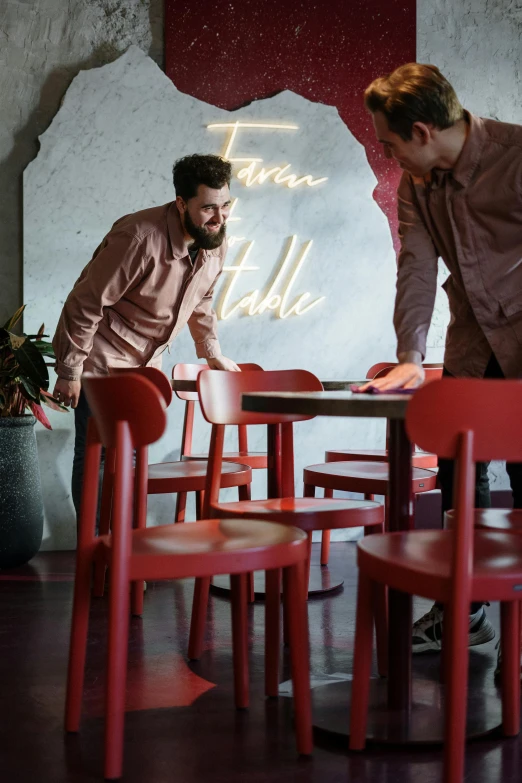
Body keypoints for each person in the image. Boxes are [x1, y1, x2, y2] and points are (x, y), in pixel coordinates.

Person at [363, 63, 522, 654]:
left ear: (423, 130)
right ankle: (465, 610)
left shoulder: (516, 154)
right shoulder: (416, 185)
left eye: (389, 142)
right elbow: (417, 268)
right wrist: (410, 353)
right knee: (460, 479)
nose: (388, 154)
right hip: (472, 344)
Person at [52, 153, 239, 521]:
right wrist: (70, 370)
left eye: (226, 206)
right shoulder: (138, 237)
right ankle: (97, 552)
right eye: (208, 209)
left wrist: (210, 351)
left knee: (135, 455)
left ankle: (126, 552)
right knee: (98, 455)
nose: (219, 218)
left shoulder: (214, 239)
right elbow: (86, 302)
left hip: (146, 365)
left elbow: (201, 298)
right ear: (182, 203)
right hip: (101, 359)